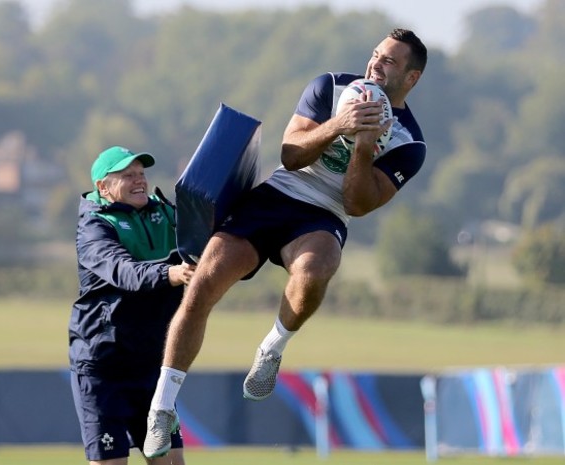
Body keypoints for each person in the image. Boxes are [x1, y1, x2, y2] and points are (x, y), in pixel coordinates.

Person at [143, 28, 428, 458]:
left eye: (389, 62)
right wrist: (340, 125)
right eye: (375, 55)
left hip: (324, 214)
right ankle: (162, 408)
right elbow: (292, 154)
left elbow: (357, 203)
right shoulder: (329, 86)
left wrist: (363, 148)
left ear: (411, 78)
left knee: (315, 272)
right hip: (277, 193)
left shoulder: (411, 144)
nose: (376, 64)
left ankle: (272, 348)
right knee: (202, 283)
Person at [69, 145, 195, 465]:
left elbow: (206, 238)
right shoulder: (94, 227)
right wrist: (172, 273)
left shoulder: (166, 212)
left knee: (171, 462)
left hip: (152, 364)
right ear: (103, 187)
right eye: (128, 175)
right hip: (103, 366)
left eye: (141, 174)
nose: (139, 180)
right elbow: (125, 273)